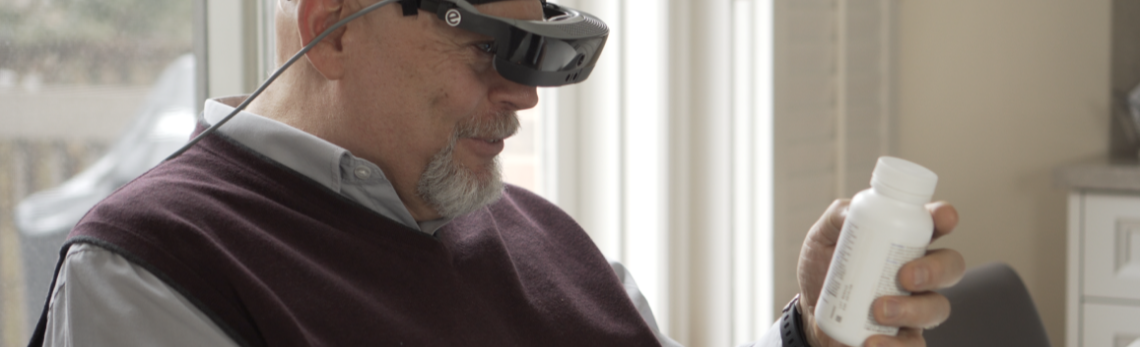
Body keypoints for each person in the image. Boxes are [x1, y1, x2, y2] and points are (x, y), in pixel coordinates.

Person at [30, 0, 965, 346]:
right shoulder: (154, 269)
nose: (523, 96)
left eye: (538, 56)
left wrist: (817, 336)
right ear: (329, 30)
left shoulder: (544, 236)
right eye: (487, 49)